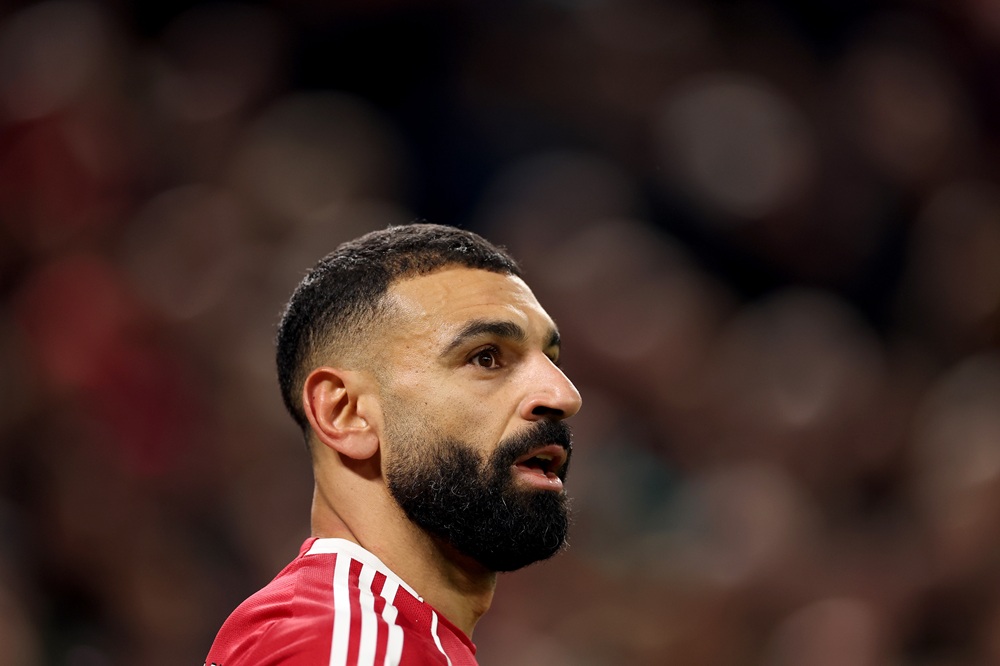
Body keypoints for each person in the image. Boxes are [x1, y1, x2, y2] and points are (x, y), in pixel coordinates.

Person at [205, 223, 582, 665]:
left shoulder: (370, 635)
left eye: (551, 360)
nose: (564, 396)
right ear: (344, 413)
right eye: (486, 357)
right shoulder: (347, 645)